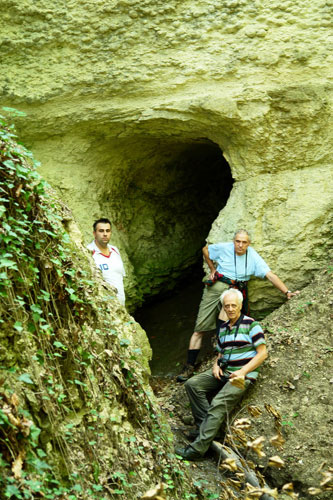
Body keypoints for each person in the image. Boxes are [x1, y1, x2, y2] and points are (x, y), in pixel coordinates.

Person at [177, 229, 299, 382]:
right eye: (237, 241)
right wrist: (213, 269)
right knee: (199, 329)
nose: (240, 245)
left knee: (228, 306)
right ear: (233, 241)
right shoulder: (225, 248)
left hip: (235, 289)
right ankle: (189, 365)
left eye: (244, 242)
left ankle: (219, 338)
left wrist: (287, 291)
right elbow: (205, 250)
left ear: (249, 244)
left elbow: (269, 275)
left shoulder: (253, 256)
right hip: (216, 287)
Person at [175, 288, 268, 461]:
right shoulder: (224, 328)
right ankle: (207, 431)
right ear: (223, 308)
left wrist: (242, 371)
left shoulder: (251, 325)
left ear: (240, 305)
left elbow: (262, 353)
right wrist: (216, 365)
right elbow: (220, 353)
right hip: (224, 372)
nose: (231, 309)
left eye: (234, 305)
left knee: (218, 403)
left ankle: (197, 450)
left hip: (242, 376)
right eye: (227, 306)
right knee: (192, 384)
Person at [87, 218, 126, 306]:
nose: (105, 234)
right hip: (104, 308)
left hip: (121, 307)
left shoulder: (114, 250)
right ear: (94, 233)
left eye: (107, 231)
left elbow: (120, 278)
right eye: (101, 231)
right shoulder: (89, 252)